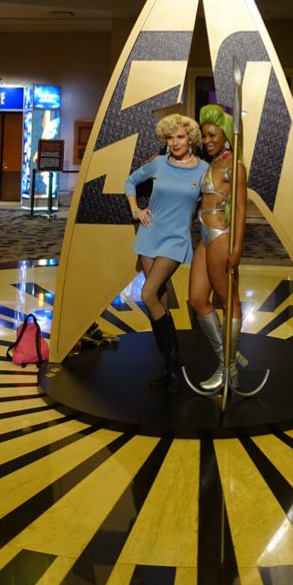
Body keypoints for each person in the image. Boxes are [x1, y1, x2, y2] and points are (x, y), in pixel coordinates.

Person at [125, 114, 208, 393]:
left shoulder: (204, 170)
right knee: (158, 299)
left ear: (191, 139)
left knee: (148, 294)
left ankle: (174, 364)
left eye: (180, 137)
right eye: (170, 138)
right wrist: (136, 211)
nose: (175, 142)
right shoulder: (158, 163)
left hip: (176, 239)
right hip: (150, 234)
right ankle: (171, 364)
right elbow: (130, 182)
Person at [188, 104, 249, 391]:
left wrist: (236, 248)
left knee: (227, 299)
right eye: (204, 136)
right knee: (197, 299)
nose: (207, 140)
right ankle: (230, 361)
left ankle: (227, 369)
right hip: (204, 236)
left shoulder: (234, 167)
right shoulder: (211, 164)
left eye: (212, 135)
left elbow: (240, 210)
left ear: (225, 134)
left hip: (221, 236)